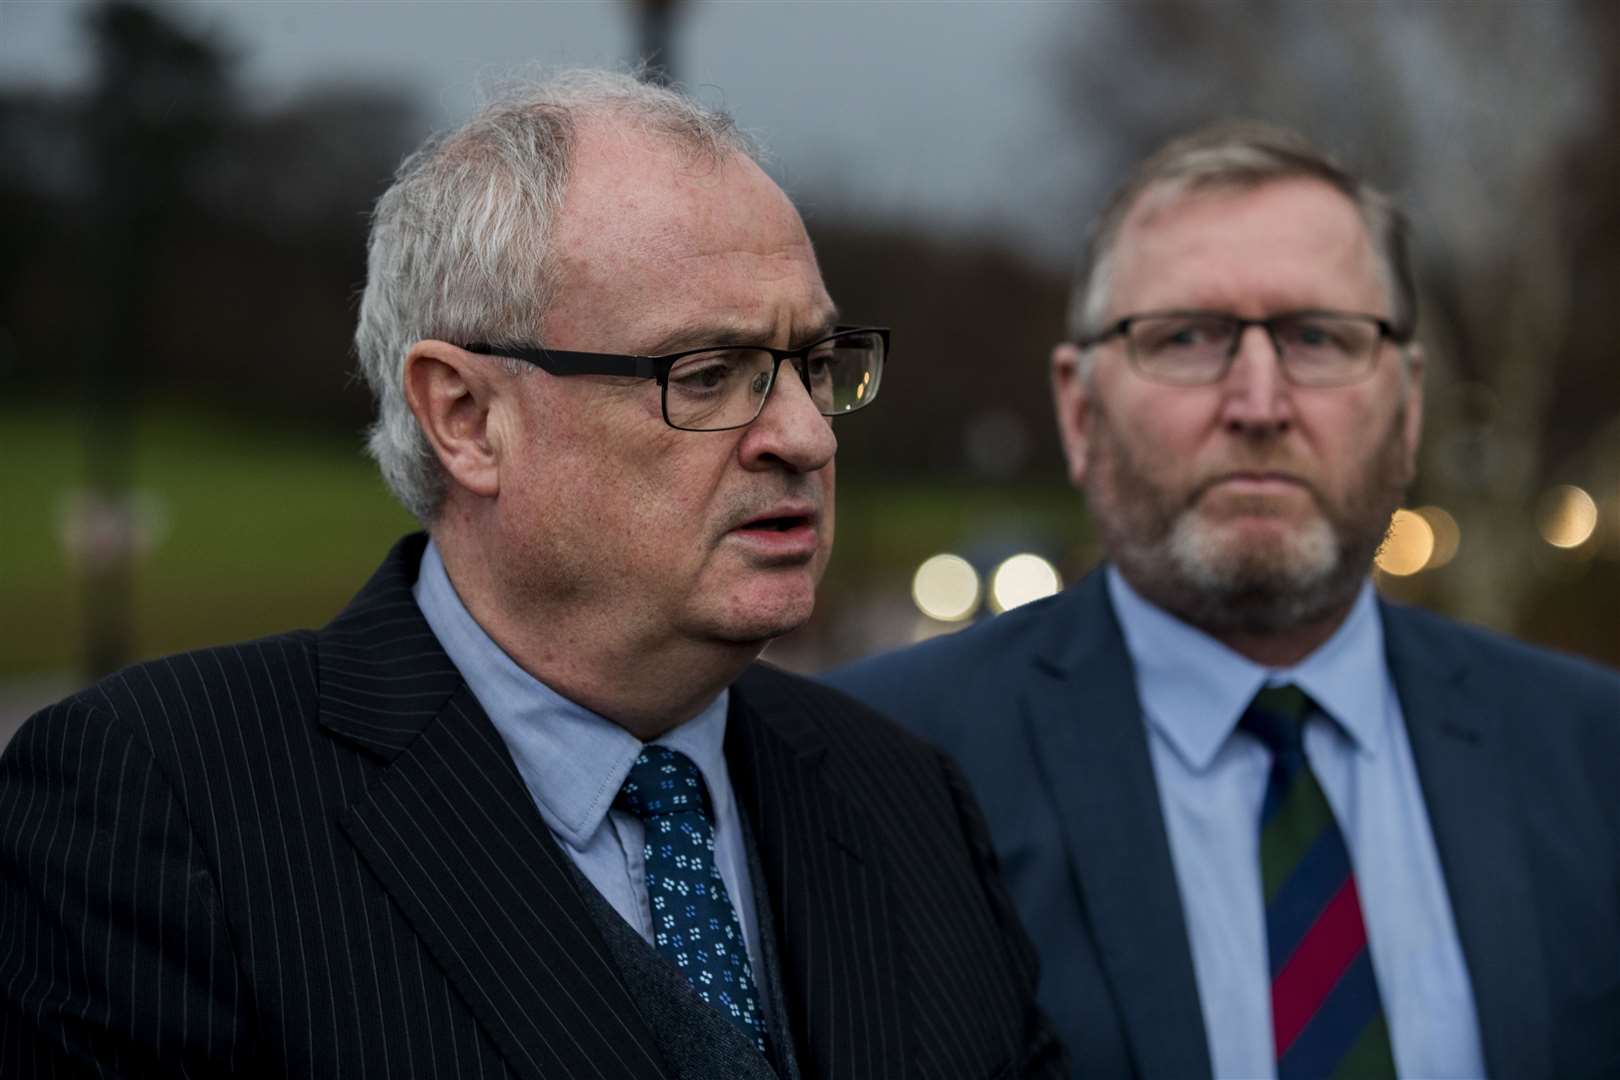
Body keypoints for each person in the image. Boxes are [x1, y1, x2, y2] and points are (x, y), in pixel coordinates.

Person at [0, 71, 1063, 1078]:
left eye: (815, 367)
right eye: (704, 374)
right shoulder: (164, 799)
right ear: (465, 417)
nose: (804, 437)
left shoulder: (903, 798)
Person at [828, 122, 1620, 1080]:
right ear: (1080, 411)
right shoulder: (878, 771)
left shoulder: (1588, 753)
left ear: (1408, 410)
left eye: (1319, 337)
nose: (1258, 400)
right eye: (1189, 338)